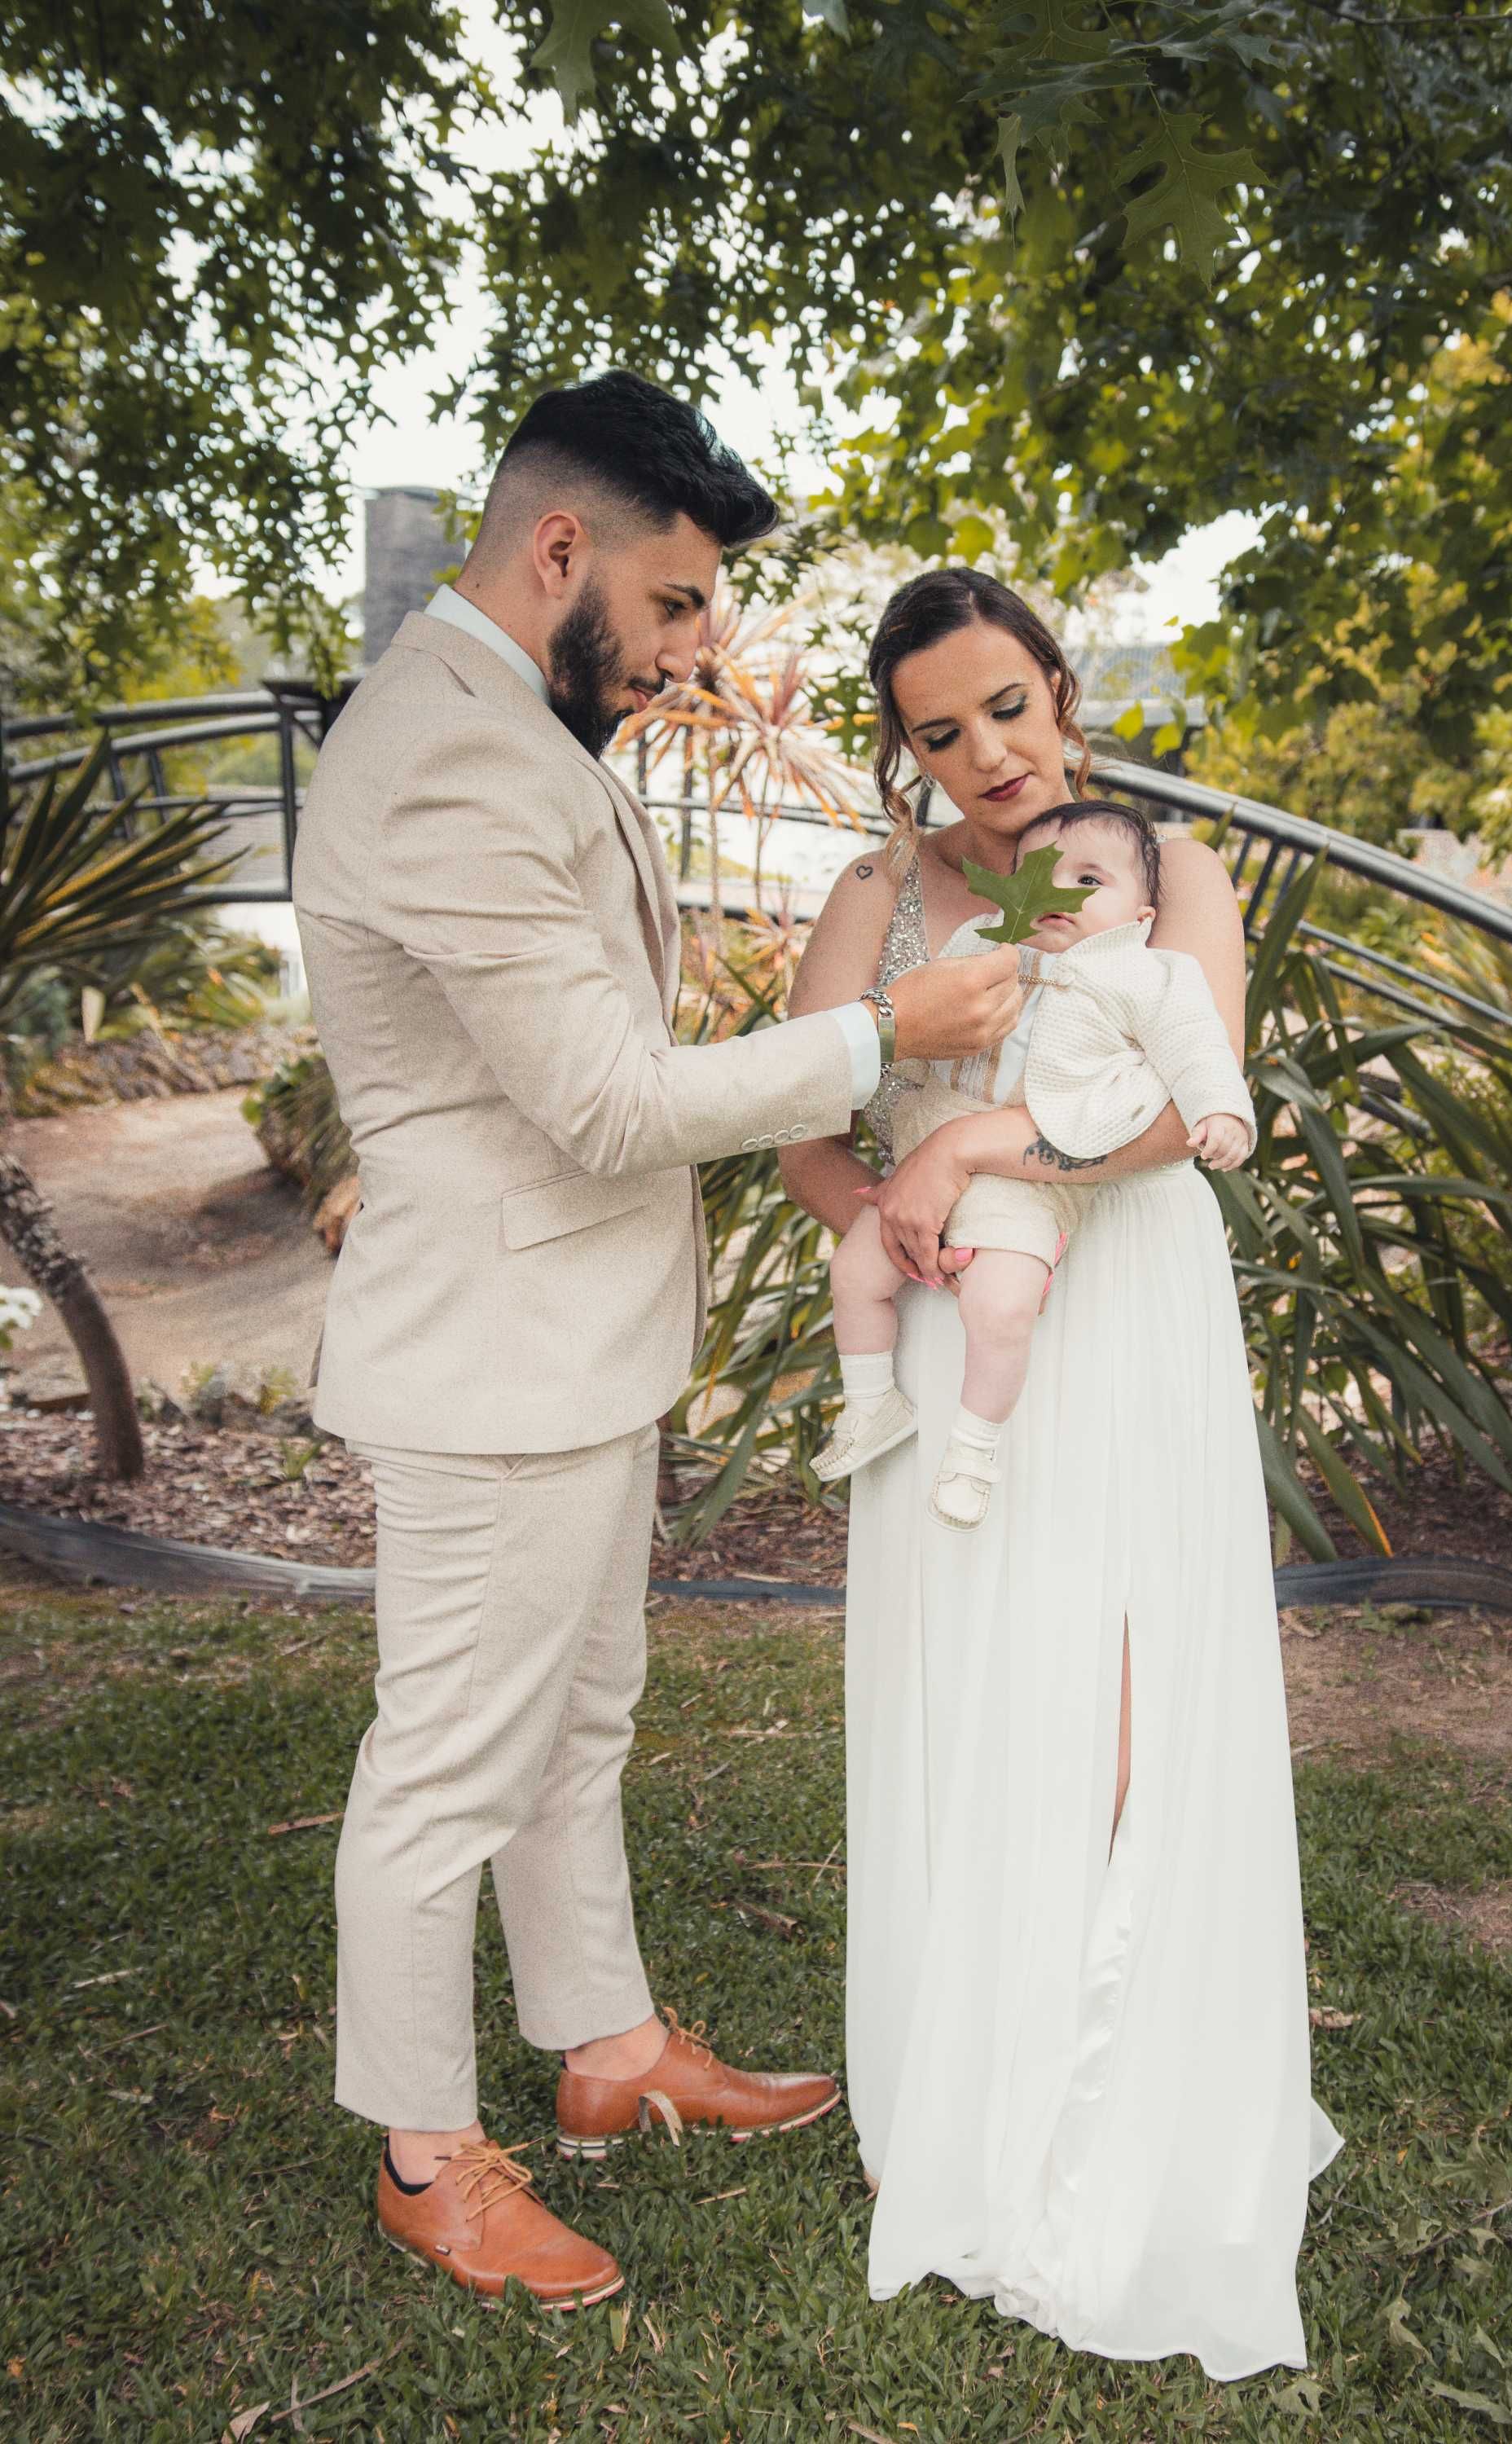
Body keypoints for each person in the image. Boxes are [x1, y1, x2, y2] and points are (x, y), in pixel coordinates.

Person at [291, 376, 1026, 2310]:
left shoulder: (518, 716)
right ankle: (427, 2155)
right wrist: (893, 1036)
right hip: (493, 1356)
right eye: (681, 599)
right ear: (560, 553)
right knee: (448, 1760)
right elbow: (606, 1103)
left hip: (574, 1342)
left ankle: (606, 2045)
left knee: (577, 1722)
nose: (701, 643)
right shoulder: (440, 753)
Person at [780, 565, 1343, 2381]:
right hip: (962, 1322)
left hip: (1130, 1304)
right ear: (906, 749)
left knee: (1121, 1692)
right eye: (939, 733)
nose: (986, 757)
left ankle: (1130, 2089)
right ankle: (975, 2083)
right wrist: (893, 1210)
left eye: (1007, 708)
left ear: (1058, 685)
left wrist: (997, 1139)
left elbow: (1197, 1098)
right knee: (981, 1690)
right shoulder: (880, 889)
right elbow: (805, 1119)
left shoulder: (1171, 872)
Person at [809, 798, 1255, 1526]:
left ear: (1141, 917)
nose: (1057, 895)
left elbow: (1197, 1046)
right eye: (1038, 876)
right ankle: (868, 1404)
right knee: (855, 1272)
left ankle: (973, 1450)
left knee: (1002, 1302)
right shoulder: (985, 948)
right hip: (932, 1147)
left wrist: (1222, 1111)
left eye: (1088, 882)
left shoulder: (1146, 975)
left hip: (1036, 1162)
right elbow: (911, 1026)